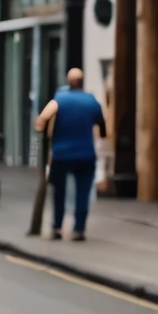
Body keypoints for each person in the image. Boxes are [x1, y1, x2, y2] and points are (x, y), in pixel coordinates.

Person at [34, 68, 106, 241]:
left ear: (68, 81)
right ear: (82, 81)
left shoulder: (60, 99)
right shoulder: (92, 101)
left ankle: (57, 228)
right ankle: (78, 230)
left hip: (61, 154)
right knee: (83, 193)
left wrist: (42, 132)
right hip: (85, 155)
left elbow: (42, 120)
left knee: (60, 193)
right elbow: (102, 127)